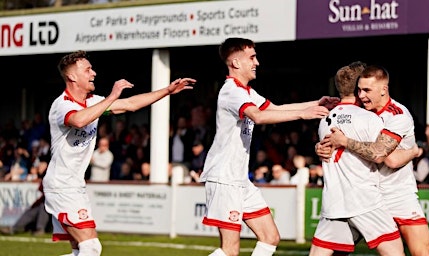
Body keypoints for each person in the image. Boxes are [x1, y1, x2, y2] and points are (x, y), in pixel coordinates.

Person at [43, 50, 196, 256]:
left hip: (74, 185)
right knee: (91, 247)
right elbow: (78, 120)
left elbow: (130, 105)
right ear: (72, 77)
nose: (93, 73)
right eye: (88, 69)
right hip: (62, 185)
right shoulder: (62, 105)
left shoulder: (93, 101)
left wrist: (166, 91)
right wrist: (112, 96)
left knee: (81, 250)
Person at [198, 37, 337, 256]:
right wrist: (303, 113)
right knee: (230, 250)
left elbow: (275, 108)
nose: (257, 62)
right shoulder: (231, 91)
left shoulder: (245, 91)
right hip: (224, 178)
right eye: (252, 57)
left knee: (270, 237)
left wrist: (316, 104)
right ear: (236, 63)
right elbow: (259, 116)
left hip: (239, 180)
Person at [317, 65, 429, 256]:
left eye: (367, 90)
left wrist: (345, 141)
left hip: (397, 194)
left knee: (421, 251)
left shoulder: (397, 115)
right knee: (338, 251)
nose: (361, 96)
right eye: (359, 90)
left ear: (383, 90)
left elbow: (389, 159)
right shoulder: (360, 112)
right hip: (365, 195)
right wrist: (320, 146)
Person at [310, 61, 405, 256]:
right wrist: (414, 152)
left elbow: (326, 149)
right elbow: (385, 155)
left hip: (334, 202)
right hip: (364, 200)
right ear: (358, 88)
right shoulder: (369, 118)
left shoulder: (326, 119)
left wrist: (318, 148)